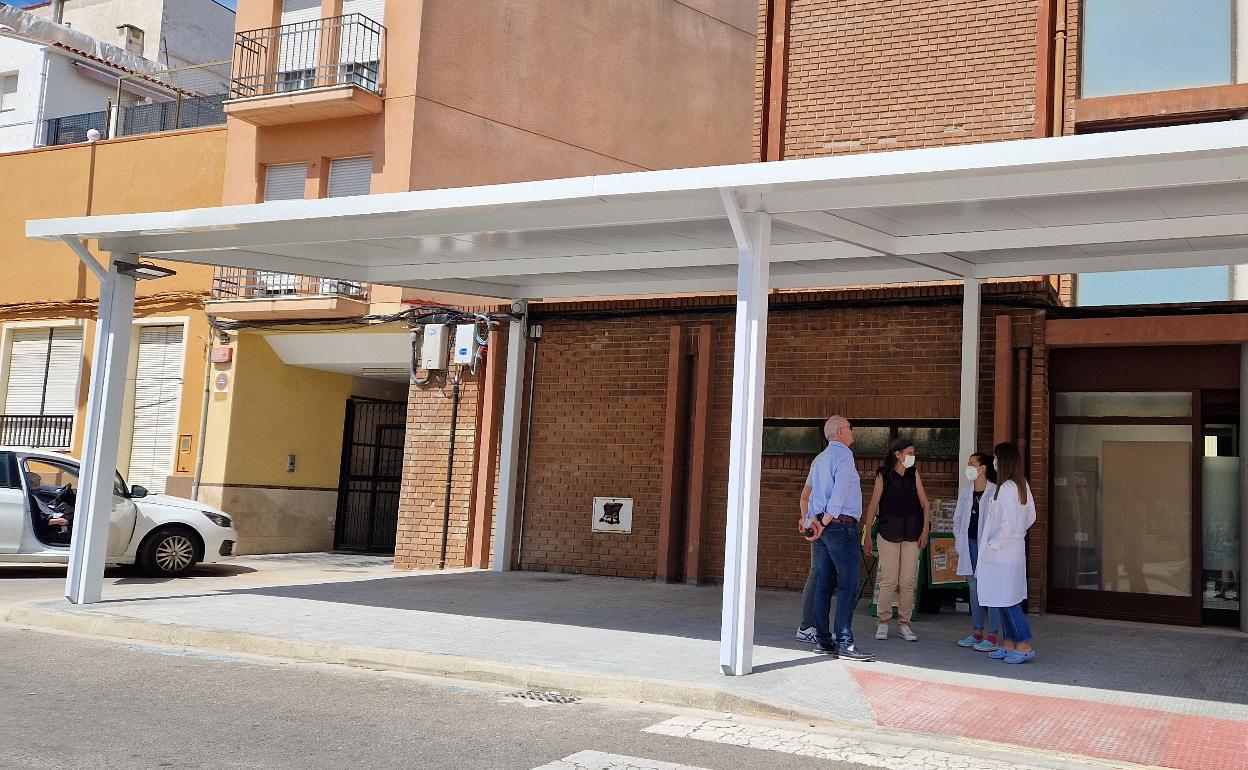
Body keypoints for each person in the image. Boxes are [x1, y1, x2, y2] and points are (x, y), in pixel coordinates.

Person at [801, 415, 873, 661]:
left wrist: (813, 522)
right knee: (848, 584)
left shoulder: (819, 459)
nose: (853, 432)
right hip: (840, 526)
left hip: (821, 527)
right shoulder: (844, 456)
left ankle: (823, 641)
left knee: (824, 584)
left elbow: (808, 495)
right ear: (841, 431)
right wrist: (824, 521)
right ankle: (845, 642)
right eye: (851, 428)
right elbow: (839, 493)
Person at [861, 438, 930, 642]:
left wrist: (925, 530)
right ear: (897, 454)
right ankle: (883, 623)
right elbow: (873, 505)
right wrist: (867, 537)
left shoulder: (913, 473)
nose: (912, 456)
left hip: (912, 531)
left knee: (908, 580)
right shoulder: (883, 474)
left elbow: (925, 504)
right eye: (909, 452)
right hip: (888, 530)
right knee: (889, 579)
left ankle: (904, 624)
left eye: (913, 452)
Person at [976, 442, 1038, 664]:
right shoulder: (1021, 485)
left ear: (1003, 461)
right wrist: (1015, 535)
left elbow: (1008, 524)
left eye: (995, 458)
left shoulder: (1006, 488)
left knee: (1006, 600)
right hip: (1011, 550)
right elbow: (1030, 517)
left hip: (1001, 552)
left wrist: (995, 544)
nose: (994, 461)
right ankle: (1009, 643)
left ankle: (1023, 645)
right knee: (1003, 598)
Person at [952, 451, 1001, 651]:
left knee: (992, 589)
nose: (969, 467)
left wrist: (991, 546)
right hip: (969, 544)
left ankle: (993, 635)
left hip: (987, 547)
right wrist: (959, 540)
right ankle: (977, 632)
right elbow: (957, 520)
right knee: (973, 588)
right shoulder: (965, 491)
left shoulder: (995, 492)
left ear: (982, 468)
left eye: (972, 463)